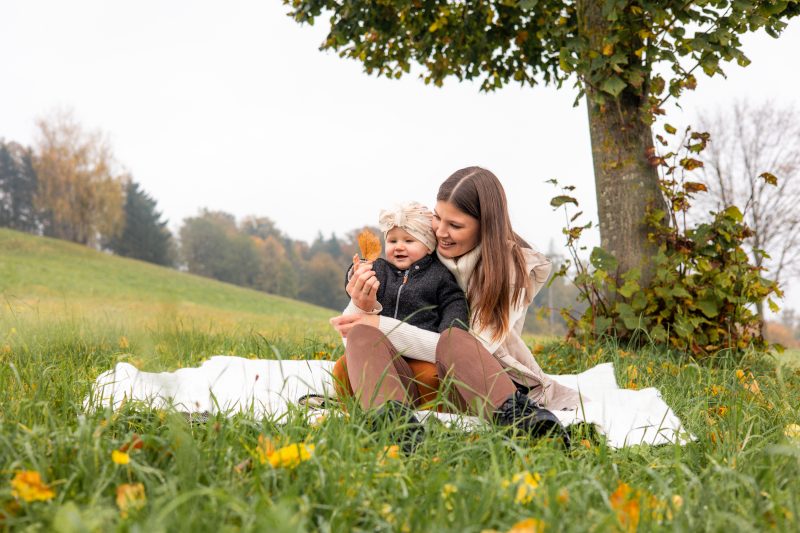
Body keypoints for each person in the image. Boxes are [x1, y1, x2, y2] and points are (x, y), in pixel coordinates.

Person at [330, 167, 578, 444]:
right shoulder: (422, 249)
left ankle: (520, 420)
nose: (441, 232)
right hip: (415, 379)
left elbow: (475, 348)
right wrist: (363, 305)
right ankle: (394, 426)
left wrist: (382, 325)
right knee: (361, 338)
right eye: (438, 217)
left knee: (455, 338)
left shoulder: (512, 271)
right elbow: (356, 334)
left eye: (455, 225)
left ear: (485, 227)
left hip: (480, 383)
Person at [333, 201, 469, 407]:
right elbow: (355, 276)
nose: (399, 247)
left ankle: (424, 414)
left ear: (429, 244)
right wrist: (356, 274)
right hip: (379, 354)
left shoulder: (440, 277)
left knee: (431, 378)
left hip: (420, 357)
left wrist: (453, 328)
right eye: (392, 240)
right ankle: (365, 408)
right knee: (343, 367)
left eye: (409, 240)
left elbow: (454, 312)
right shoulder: (381, 270)